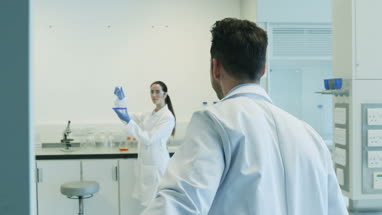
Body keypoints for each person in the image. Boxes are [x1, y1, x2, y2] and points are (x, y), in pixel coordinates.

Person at [141, 18, 348, 215]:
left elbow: (179, 205)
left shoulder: (215, 122)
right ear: (263, 69)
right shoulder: (310, 135)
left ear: (215, 67)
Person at [113, 81, 176, 207]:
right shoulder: (149, 114)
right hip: (147, 164)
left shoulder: (167, 117)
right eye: (152, 92)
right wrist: (121, 100)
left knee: (157, 204)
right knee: (148, 204)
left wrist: (129, 122)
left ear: (165, 95)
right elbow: (125, 116)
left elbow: (148, 139)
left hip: (157, 165)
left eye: (157, 91)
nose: (154, 95)